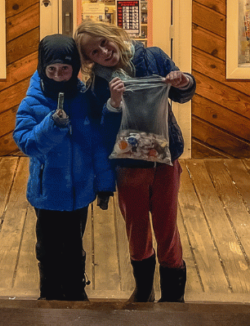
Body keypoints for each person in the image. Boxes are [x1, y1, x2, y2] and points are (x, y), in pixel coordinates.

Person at [74, 20, 196, 303]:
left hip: (165, 158)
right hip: (128, 165)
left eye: (104, 43)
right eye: (94, 52)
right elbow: (103, 133)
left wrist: (184, 80)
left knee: (167, 225)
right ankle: (143, 289)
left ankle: (173, 294)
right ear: (90, 60)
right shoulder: (97, 85)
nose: (104, 52)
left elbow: (181, 94)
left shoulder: (152, 57)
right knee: (136, 227)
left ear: (113, 36)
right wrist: (113, 104)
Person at [12, 34, 116, 301]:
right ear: (42, 68)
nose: (58, 76)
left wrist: (104, 184)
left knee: (73, 244)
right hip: (47, 193)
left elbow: (97, 145)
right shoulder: (33, 101)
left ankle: (74, 289)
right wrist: (52, 125)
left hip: (79, 192)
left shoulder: (84, 99)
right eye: (52, 70)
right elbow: (26, 143)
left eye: (65, 69)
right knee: (47, 246)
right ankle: (48, 290)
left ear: (75, 68)